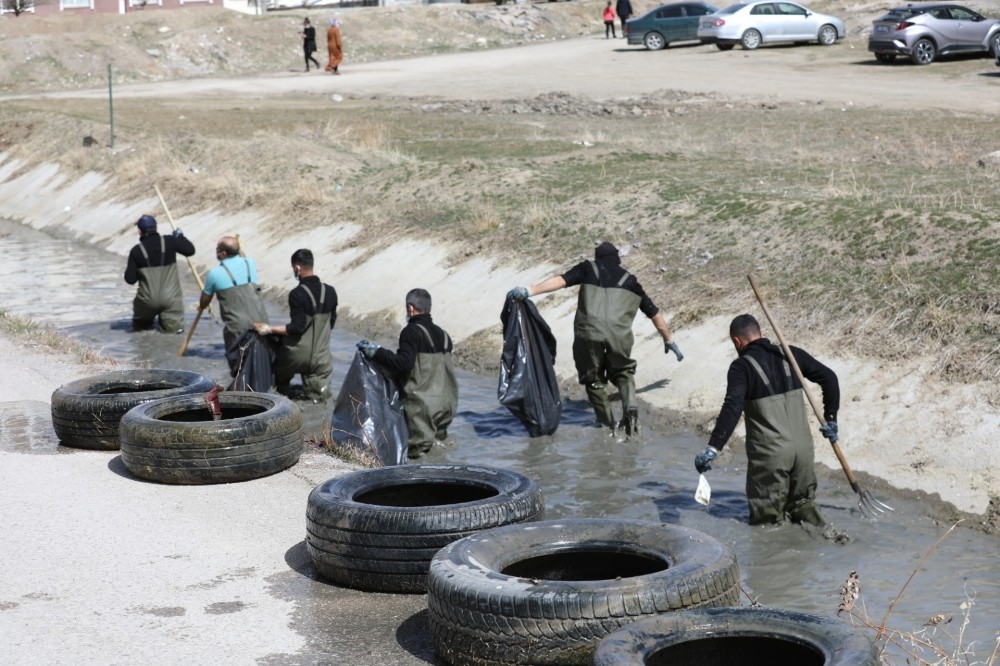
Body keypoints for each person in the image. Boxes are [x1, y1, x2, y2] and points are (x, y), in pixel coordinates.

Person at [508, 242, 682, 437]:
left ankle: (608, 426)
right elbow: (654, 313)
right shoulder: (630, 280)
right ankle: (630, 406)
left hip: (588, 332)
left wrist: (529, 290)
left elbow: (561, 281)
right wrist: (669, 340)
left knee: (593, 380)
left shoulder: (587, 268)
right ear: (617, 258)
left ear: (597, 257)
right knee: (623, 372)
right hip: (619, 335)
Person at [694, 314, 840, 527]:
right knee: (804, 505)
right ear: (760, 333)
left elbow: (733, 406)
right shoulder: (790, 354)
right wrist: (831, 418)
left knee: (767, 524)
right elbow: (830, 378)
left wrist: (713, 447)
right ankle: (826, 535)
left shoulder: (741, 367)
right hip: (804, 451)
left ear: (737, 341)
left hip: (771, 455)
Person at [356, 288, 458, 460]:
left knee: (416, 456)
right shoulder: (444, 335)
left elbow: (404, 364)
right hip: (447, 405)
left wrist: (377, 353)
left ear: (410, 308)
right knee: (438, 452)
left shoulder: (411, 332)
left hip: (422, 408)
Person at [252, 249, 337, 404]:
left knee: (280, 389)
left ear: (297, 268)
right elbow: (330, 324)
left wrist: (269, 329)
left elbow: (297, 327)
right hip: (322, 357)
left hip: (295, 357)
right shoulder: (330, 291)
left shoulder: (297, 294)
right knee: (320, 400)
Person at [199, 236, 268, 374]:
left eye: (217, 249)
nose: (216, 252)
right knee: (262, 362)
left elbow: (204, 301)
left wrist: (201, 306)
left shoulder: (214, 274)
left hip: (237, 328)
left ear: (223, 253)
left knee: (238, 368)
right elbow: (242, 256)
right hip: (262, 321)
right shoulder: (250, 263)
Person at [123, 214, 196, 334]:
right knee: (174, 334)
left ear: (140, 231)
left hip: (146, 301)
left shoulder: (136, 251)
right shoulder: (170, 241)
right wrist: (181, 237)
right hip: (171, 299)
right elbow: (190, 250)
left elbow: (130, 280)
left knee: (140, 332)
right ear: (156, 227)